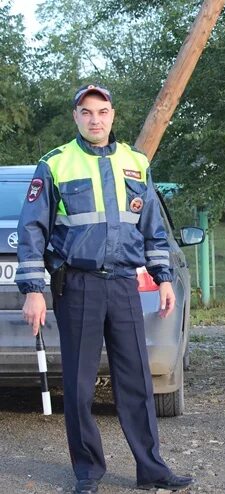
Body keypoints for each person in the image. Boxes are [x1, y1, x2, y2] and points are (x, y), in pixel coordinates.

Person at [15, 84, 194, 493]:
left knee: (136, 383)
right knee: (78, 387)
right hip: (77, 287)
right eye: (87, 112)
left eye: (103, 111)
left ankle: (151, 469)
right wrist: (33, 289)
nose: (95, 119)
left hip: (124, 286)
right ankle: (88, 473)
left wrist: (163, 279)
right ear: (75, 117)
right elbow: (32, 230)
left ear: (113, 115)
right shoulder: (56, 164)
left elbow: (152, 230)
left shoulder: (136, 162)